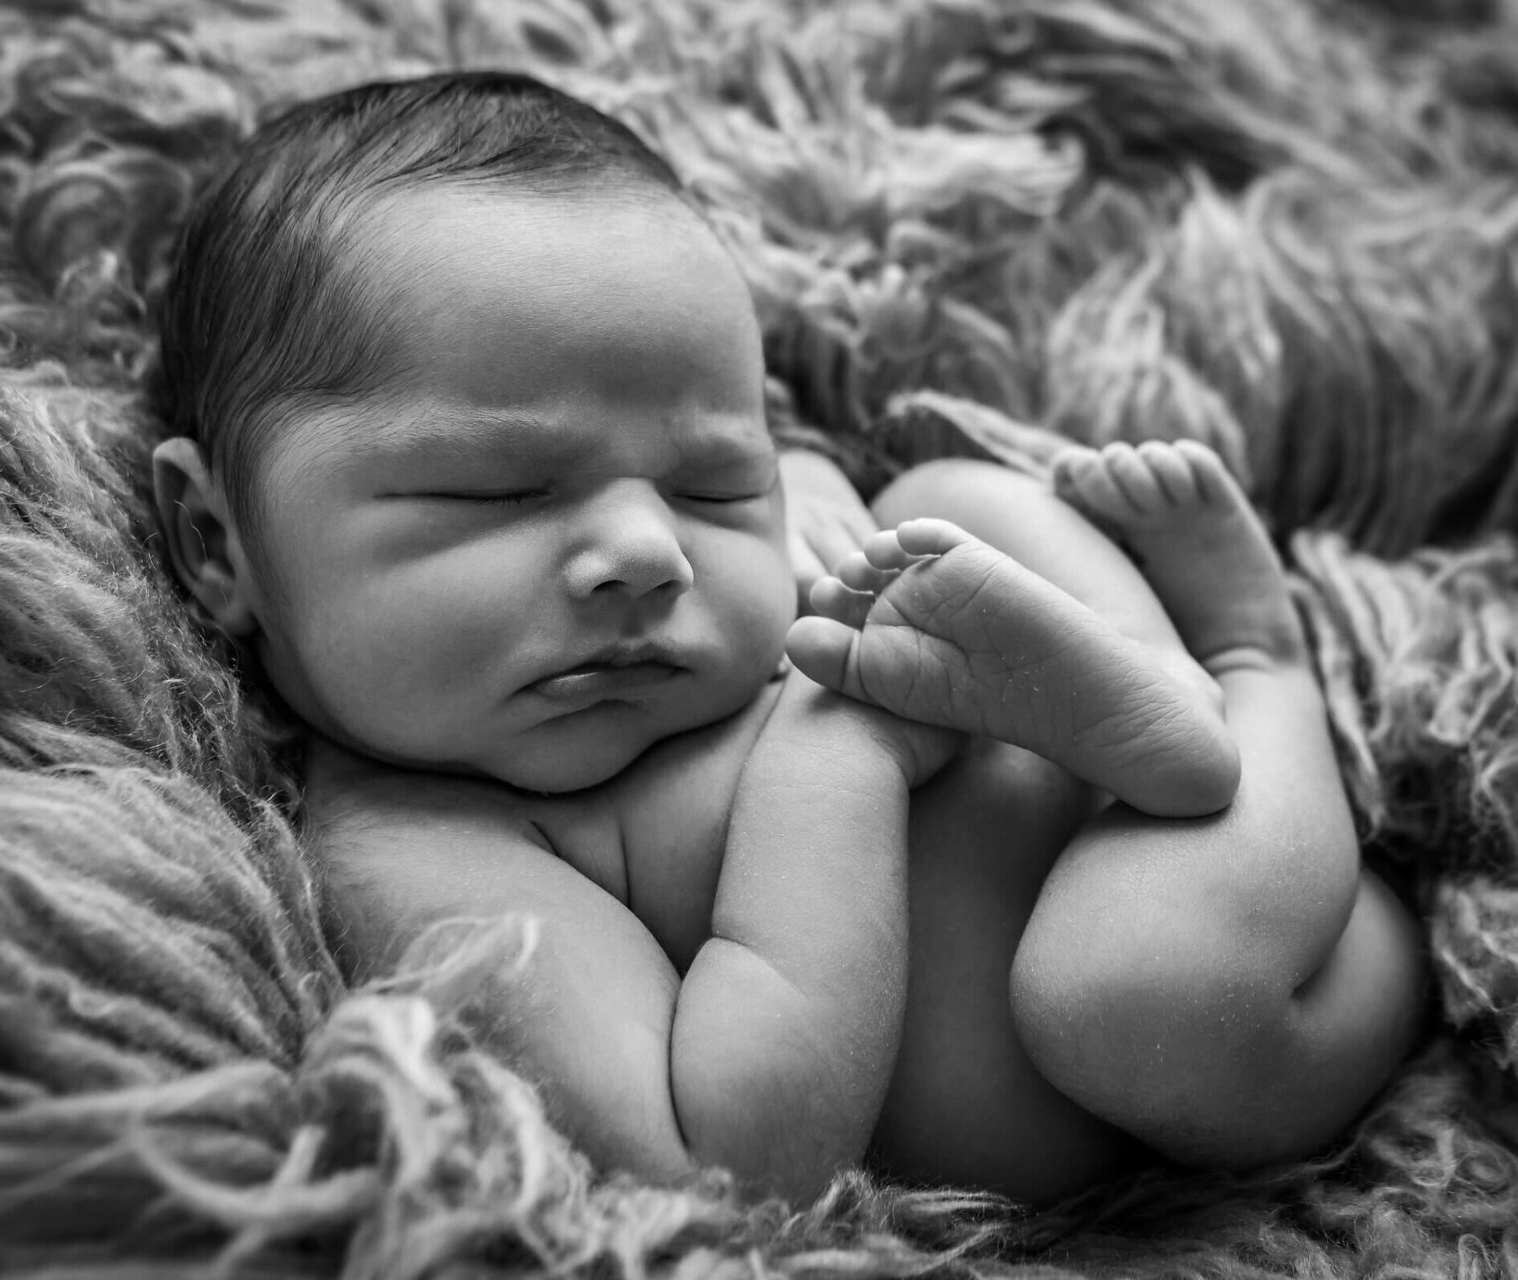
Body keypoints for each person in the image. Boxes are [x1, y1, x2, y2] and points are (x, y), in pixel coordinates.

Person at [149, 69, 1424, 1206]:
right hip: (1212, 998)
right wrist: (836, 761)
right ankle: (1249, 680)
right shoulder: (414, 849)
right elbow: (719, 1157)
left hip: (1203, 829)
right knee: (1125, 988)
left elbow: (800, 470)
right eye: (498, 491)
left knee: (944, 505)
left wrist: (797, 497)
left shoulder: (708, 585)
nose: (653, 551)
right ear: (218, 545)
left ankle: (1224, 672)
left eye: (710, 481)